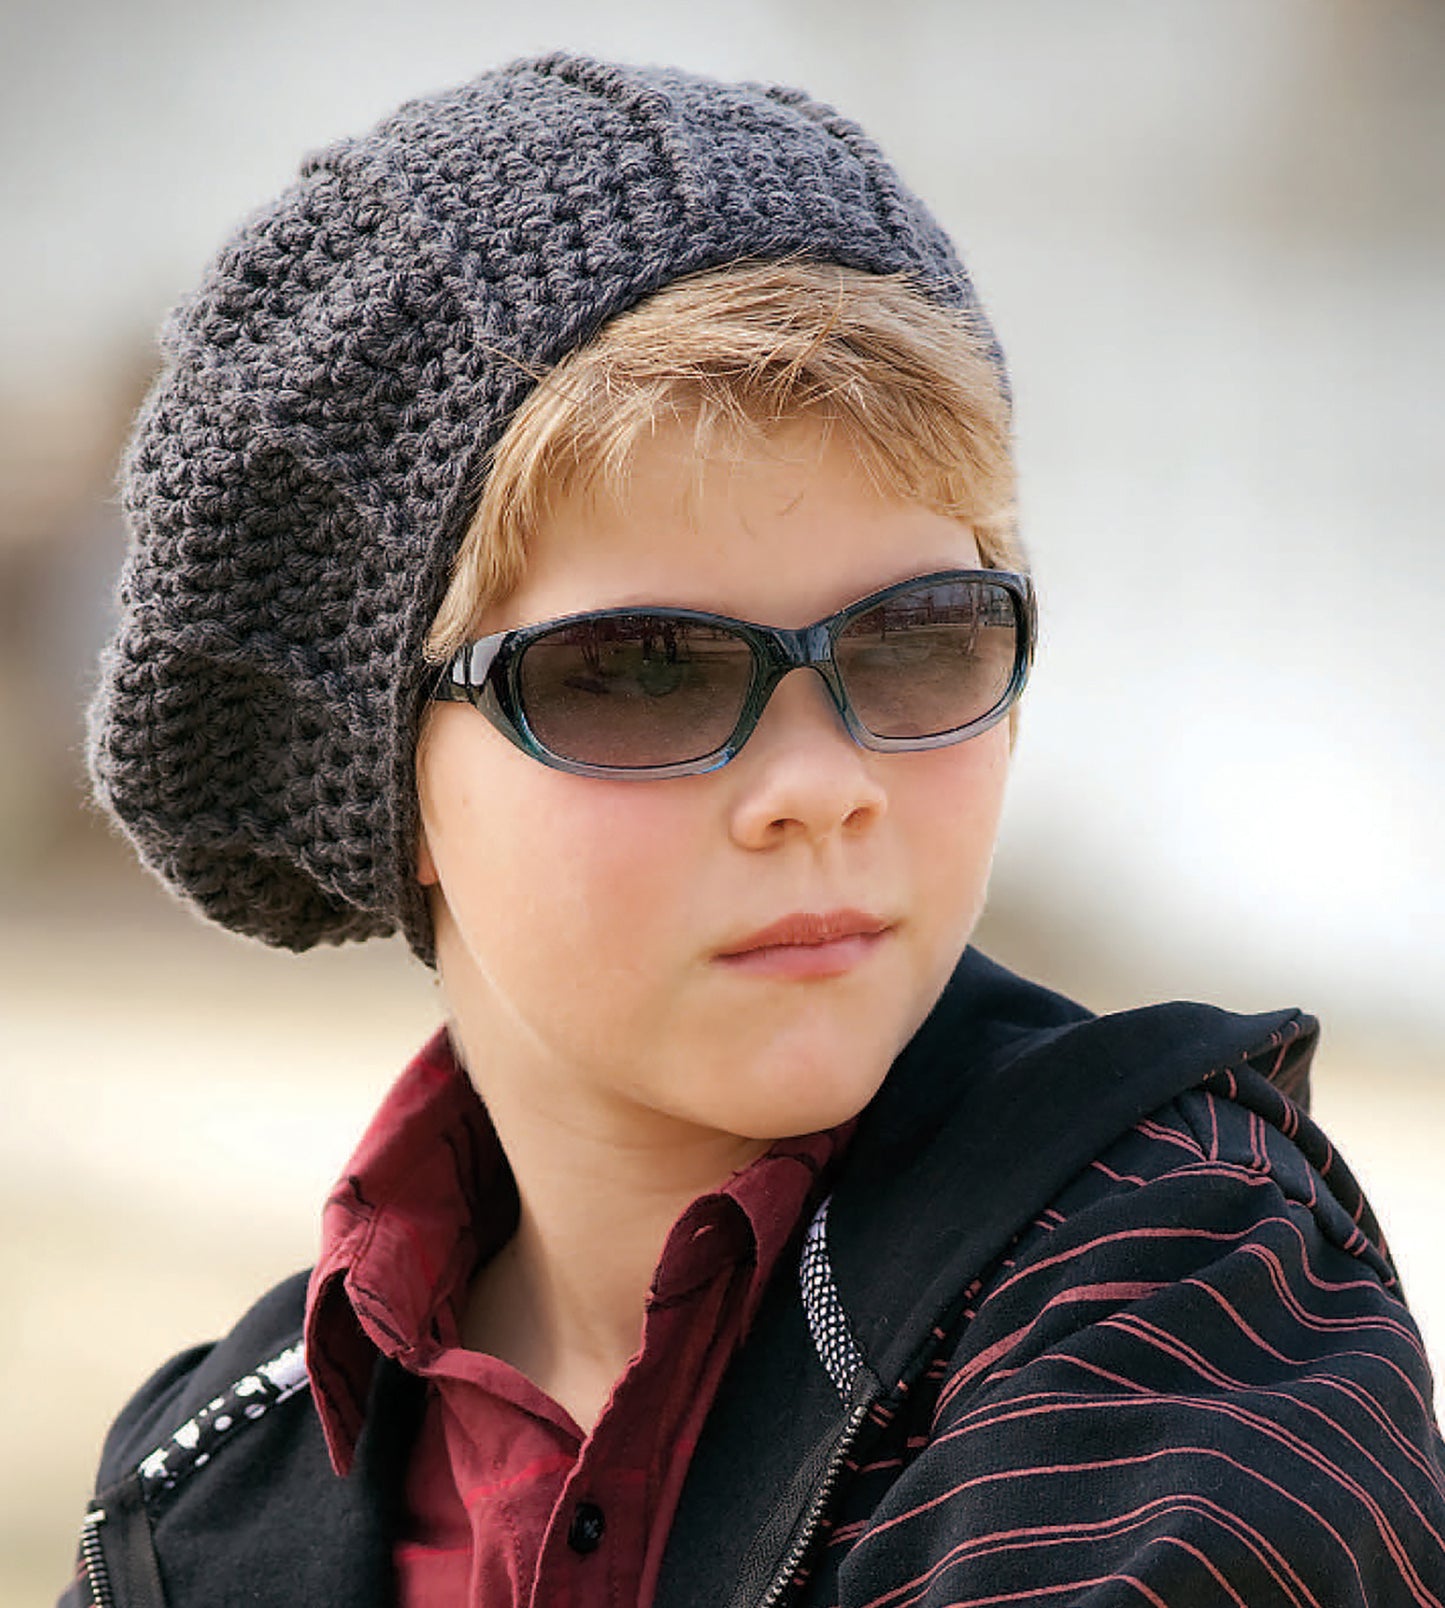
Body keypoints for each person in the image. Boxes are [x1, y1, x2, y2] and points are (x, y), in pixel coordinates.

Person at [65, 53, 1445, 1608]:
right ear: (390, 776)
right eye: (640, 673)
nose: (822, 781)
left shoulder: (1177, 1305)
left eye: (918, 638)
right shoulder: (199, 1491)